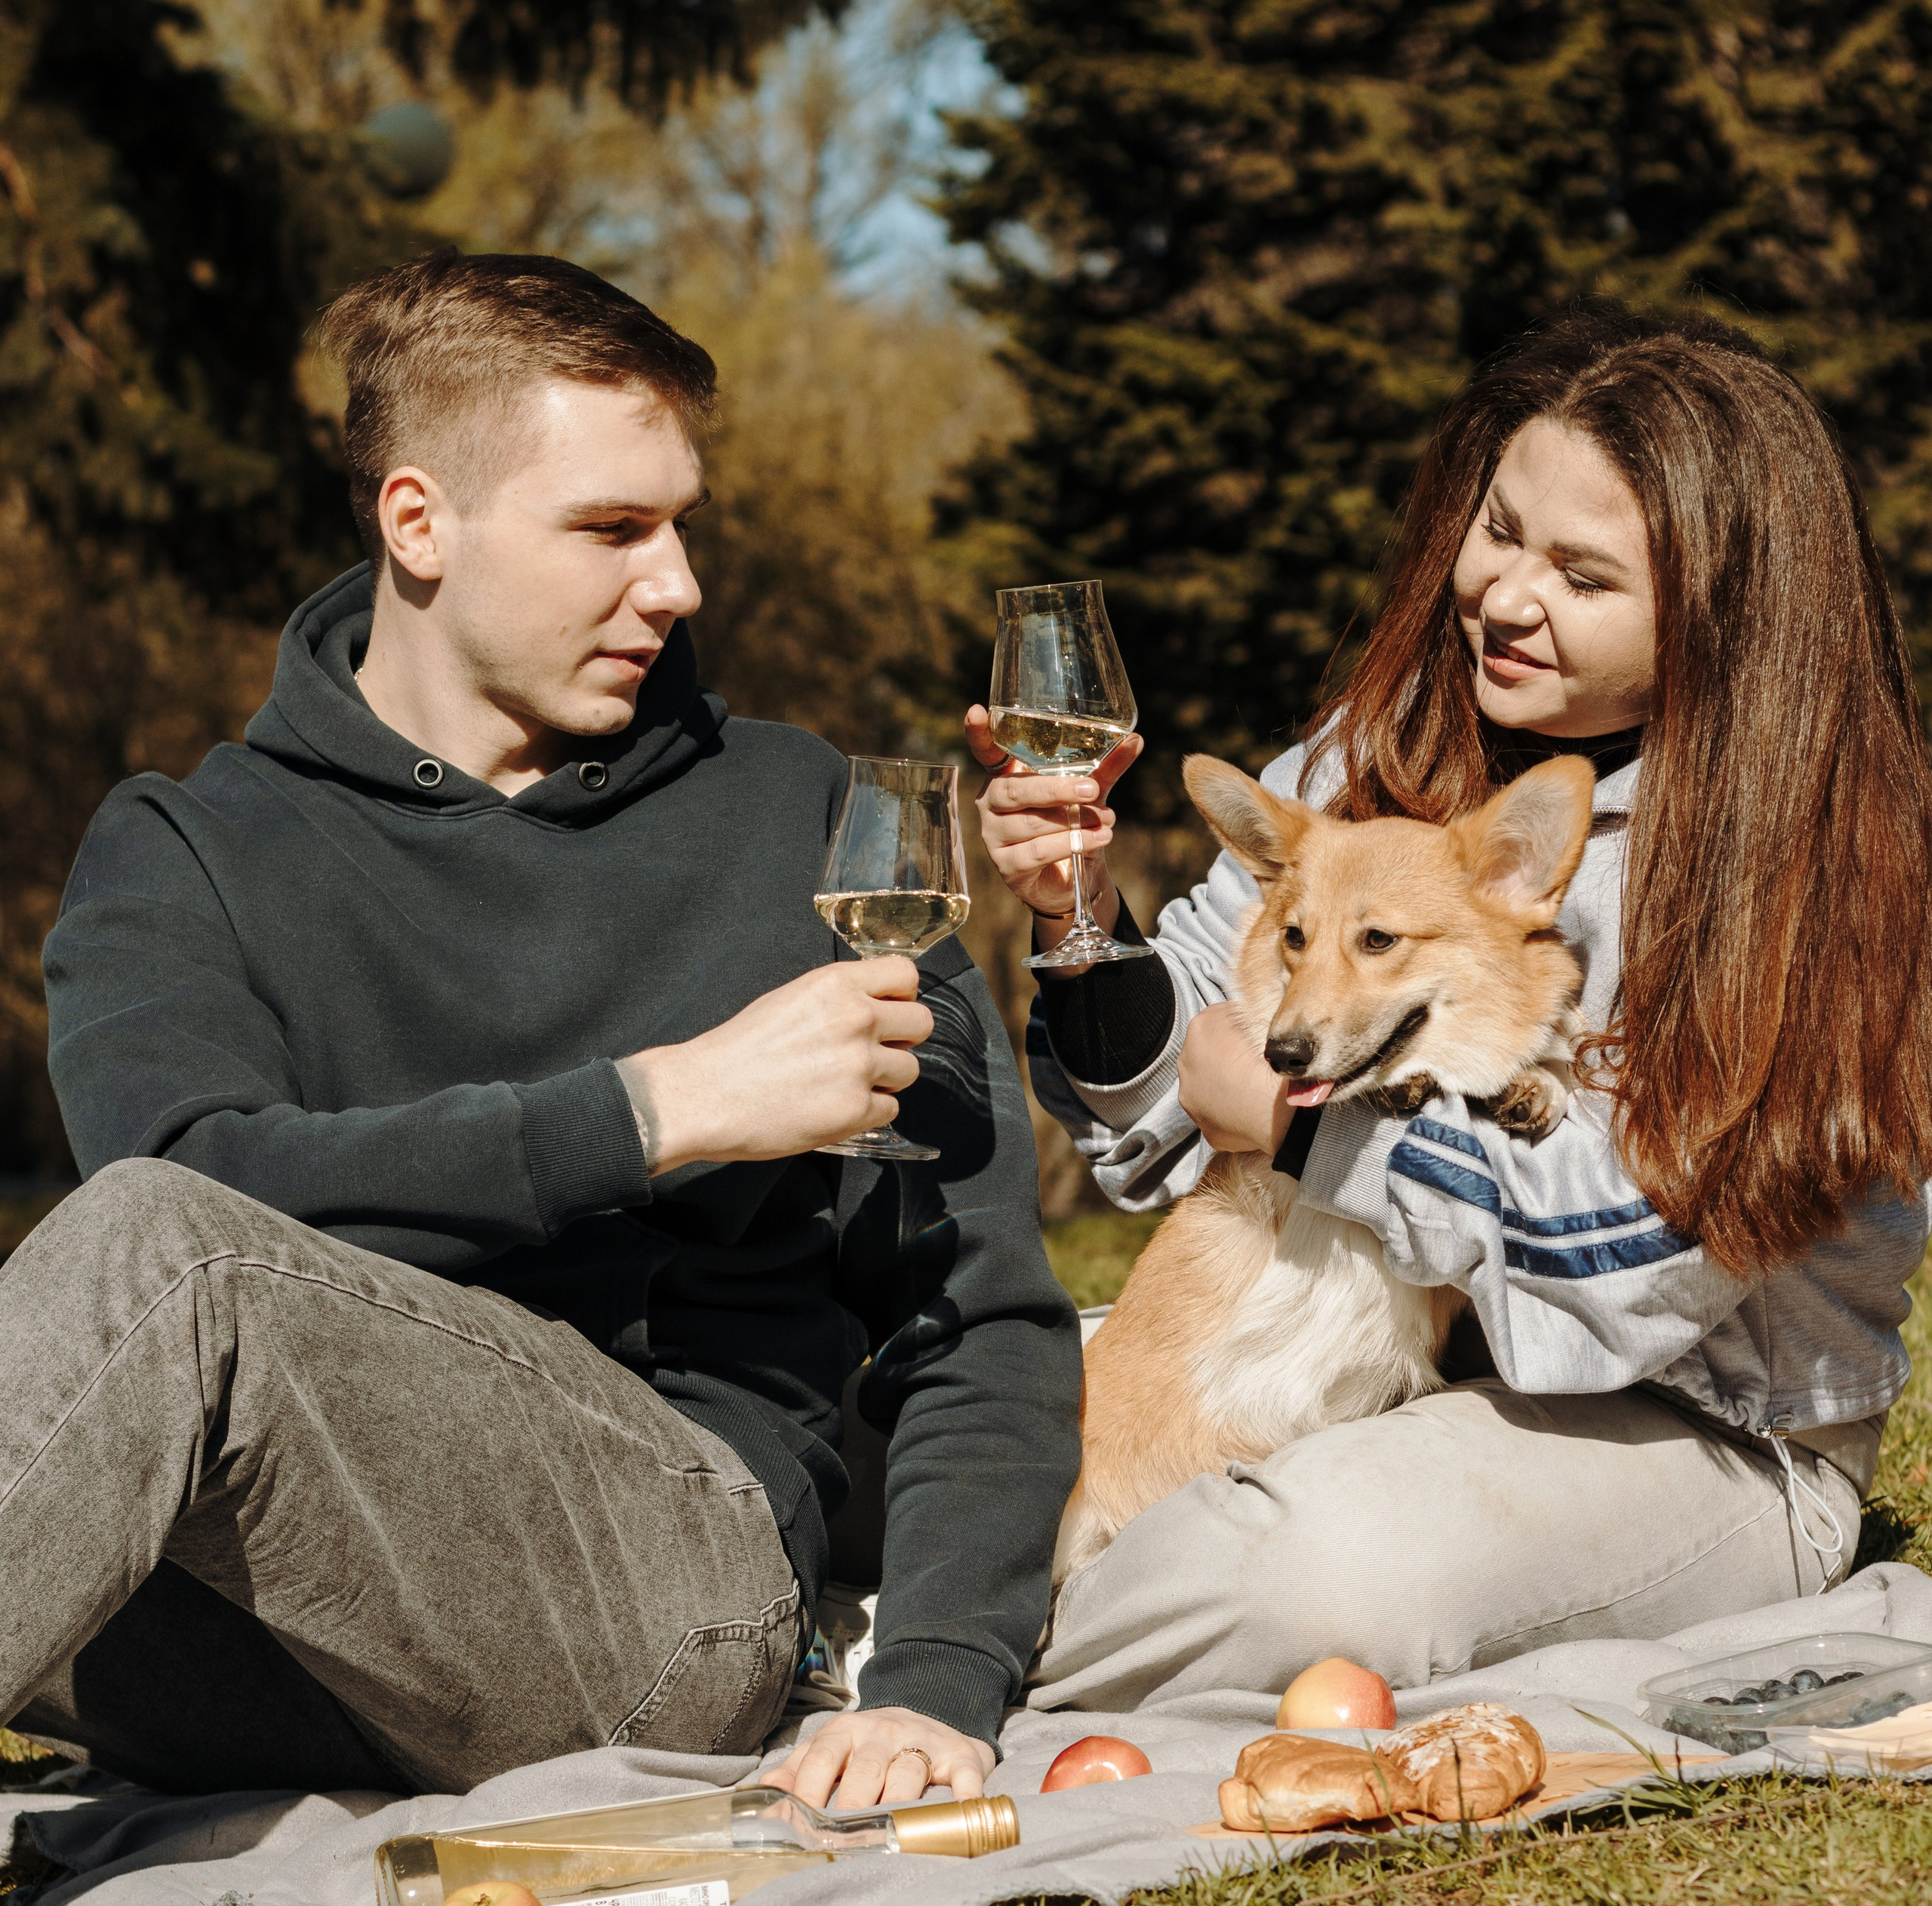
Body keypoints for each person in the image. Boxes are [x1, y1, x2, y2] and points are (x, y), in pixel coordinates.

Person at [4, 251, 1081, 1805]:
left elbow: (974, 1321)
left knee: (167, 1255)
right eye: (610, 530)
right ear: (417, 522)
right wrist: (654, 1112)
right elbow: (185, 1185)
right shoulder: (187, 848)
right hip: (239, 1616)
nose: (677, 584)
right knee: (162, 1237)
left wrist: (935, 1683)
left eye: (679, 526)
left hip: (656, 1601)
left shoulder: (820, 830)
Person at [967, 306, 1932, 1708]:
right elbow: (1176, 1086)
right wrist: (1074, 921)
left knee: (1305, 1570)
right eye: (1500, 529)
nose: (1507, 595)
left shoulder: (1801, 865)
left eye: (1584, 573)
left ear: (1723, 618)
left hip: (1705, 1428)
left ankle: (969, 1648)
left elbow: (1633, 1266)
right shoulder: (1389, 742)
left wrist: (1311, 1142)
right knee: (951, 1403)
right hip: (1394, 1370)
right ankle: (956, 1591)